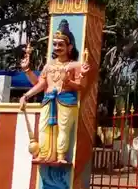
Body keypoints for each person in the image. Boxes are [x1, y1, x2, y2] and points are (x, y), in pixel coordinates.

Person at [19, 20, 90, 163]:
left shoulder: (75, 65)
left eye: (61, 44)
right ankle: (44, 155)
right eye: (55, 44)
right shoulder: (49, 66)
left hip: (66, 100)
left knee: (63, 129)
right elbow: (40, 83)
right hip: (48, 99)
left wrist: (68, 81)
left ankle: (61, 156)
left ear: (69, 47)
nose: (57, 47)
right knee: (43, 128)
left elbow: (82, 86)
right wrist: (26, 93)